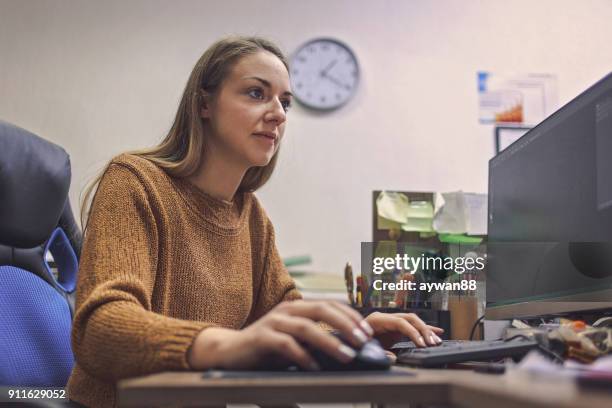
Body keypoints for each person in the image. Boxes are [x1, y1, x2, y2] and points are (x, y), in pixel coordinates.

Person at [67, 36, 443, 408]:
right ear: (204, 104)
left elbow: (285, 318)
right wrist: (229, 344)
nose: (279, 113)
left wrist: (356, 335)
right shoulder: (135, 182)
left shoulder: (251, 217)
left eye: (285, 102)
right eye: (255, 93)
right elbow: (100, 331)